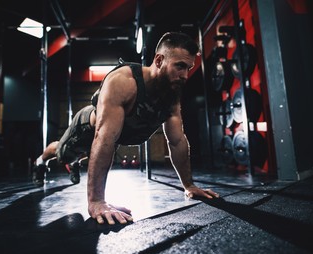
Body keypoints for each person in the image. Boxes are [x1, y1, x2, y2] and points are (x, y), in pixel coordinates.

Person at [32, 31, 219, 225]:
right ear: (158, 60)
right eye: (179, 66)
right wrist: (97, 201)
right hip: (87, 130)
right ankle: (40, 161)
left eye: (188, 68)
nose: (185, 75)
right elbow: (104, 139)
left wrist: (189, 185)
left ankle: (77, 162)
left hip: (110, 137)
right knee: (63, 153)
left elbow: (177, 140)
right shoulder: (124, 82)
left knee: (88, 154)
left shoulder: (171, 92)